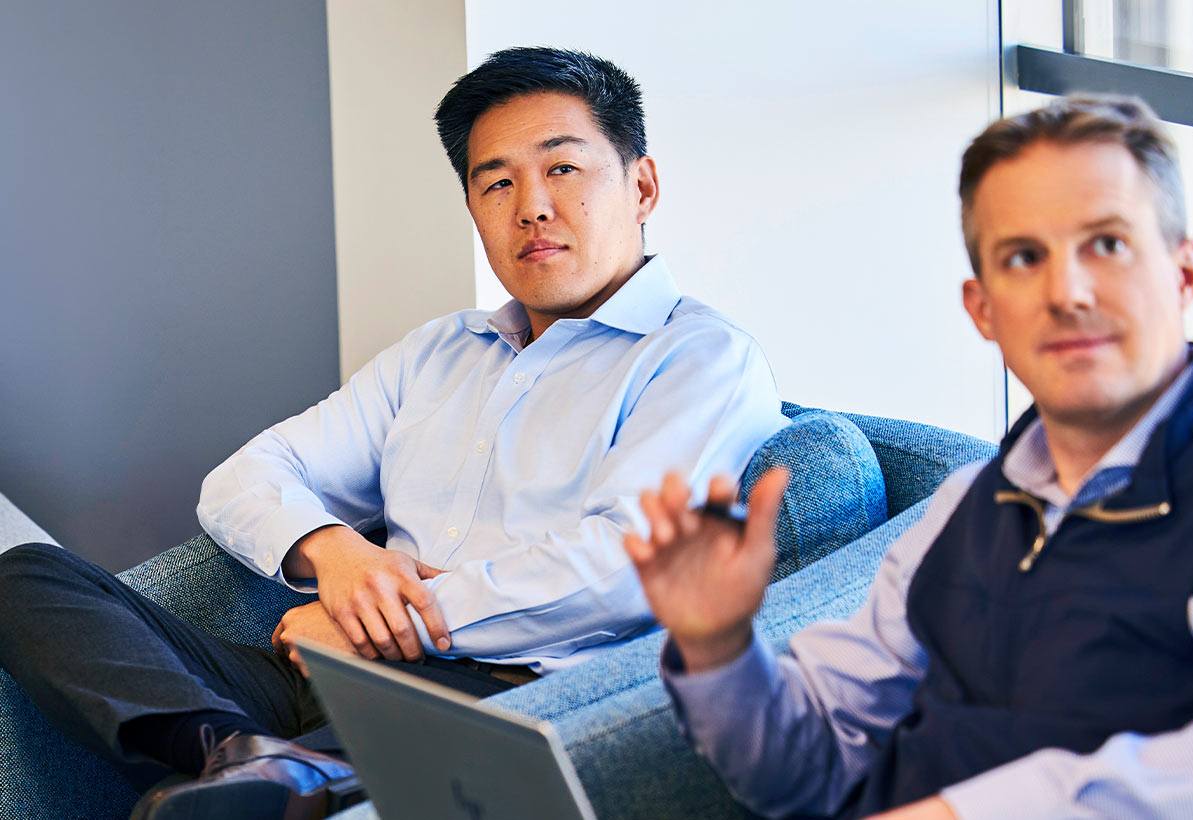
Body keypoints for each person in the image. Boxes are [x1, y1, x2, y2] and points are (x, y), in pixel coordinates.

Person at [0, 47, 785, 820]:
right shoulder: (439, 352)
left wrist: (386, 622)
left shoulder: (701, 359)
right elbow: (246, 478)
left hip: (502, 697)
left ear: (641, 185)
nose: (532, 206)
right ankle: (253, 761)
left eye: (563, 169)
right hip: (323, 676)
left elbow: (624, 568)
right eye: (497, 182)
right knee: (28, 576)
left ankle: (274, 780)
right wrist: (337, 556)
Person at [628, 95, 1193, 819]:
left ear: (1183, 274)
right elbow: (807, 775)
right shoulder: (965, 506)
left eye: (1108, 244)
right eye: (1025, 258)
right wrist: (718, 648)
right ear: (983, 309)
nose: (1068, 293)